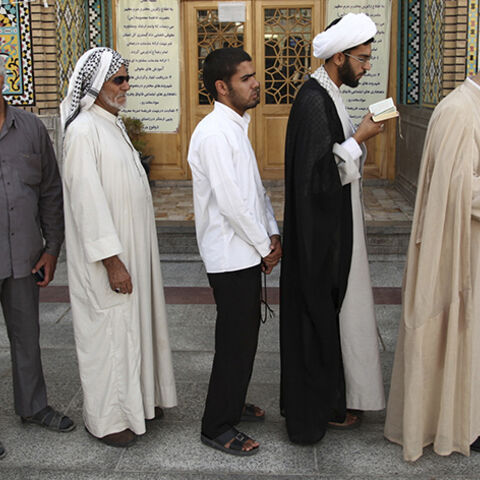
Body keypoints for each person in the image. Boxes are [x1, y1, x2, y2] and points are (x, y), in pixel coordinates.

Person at [60, 47, 177, 448]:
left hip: (132, 253)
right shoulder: (82, 131)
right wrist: (113, 262)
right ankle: (108, 420)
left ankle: (140, 402)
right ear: (96, 85)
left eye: (127, 78)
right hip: (108, 260)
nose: (127, 86)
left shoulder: (113, 124)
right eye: (119, 80)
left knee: (134, 327)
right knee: (109, 337)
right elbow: (86, 204)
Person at [280, 13, 386, 444]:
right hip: (318, 240)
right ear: (338, 56)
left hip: (336, 229)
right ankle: (318, 409)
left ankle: (335, 397)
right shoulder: (312, 101)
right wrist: (358, 139)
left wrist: (354, 137)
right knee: (316, 319)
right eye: (361, 59)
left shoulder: (331, 94)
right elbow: (314, 179)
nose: (366, 67)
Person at [188, 48, 281, 456]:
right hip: (230, 255)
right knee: (235, 341)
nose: (256, 83)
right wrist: (265, 246)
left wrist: (272, 233)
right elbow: (230, 203)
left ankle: (232, 403)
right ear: (222, 87)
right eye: (246, 78)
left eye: (254, 75)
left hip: (248, 250)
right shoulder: (212, 133)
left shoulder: (235, 127)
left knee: (245, 338)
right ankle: (216, 424)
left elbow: (254, 192)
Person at [385, 72, 480, 461]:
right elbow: (457, 189)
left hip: (466, 243)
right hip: (453, 247)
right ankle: (450, 425)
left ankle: (464, 420)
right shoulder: (460, 111)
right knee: (449, 330)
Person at [0, 55, 74, 434]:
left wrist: (52, 247)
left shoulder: (29, 128)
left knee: (27, 335)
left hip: (24, 257)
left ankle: (33, 406)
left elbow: (50, 192)